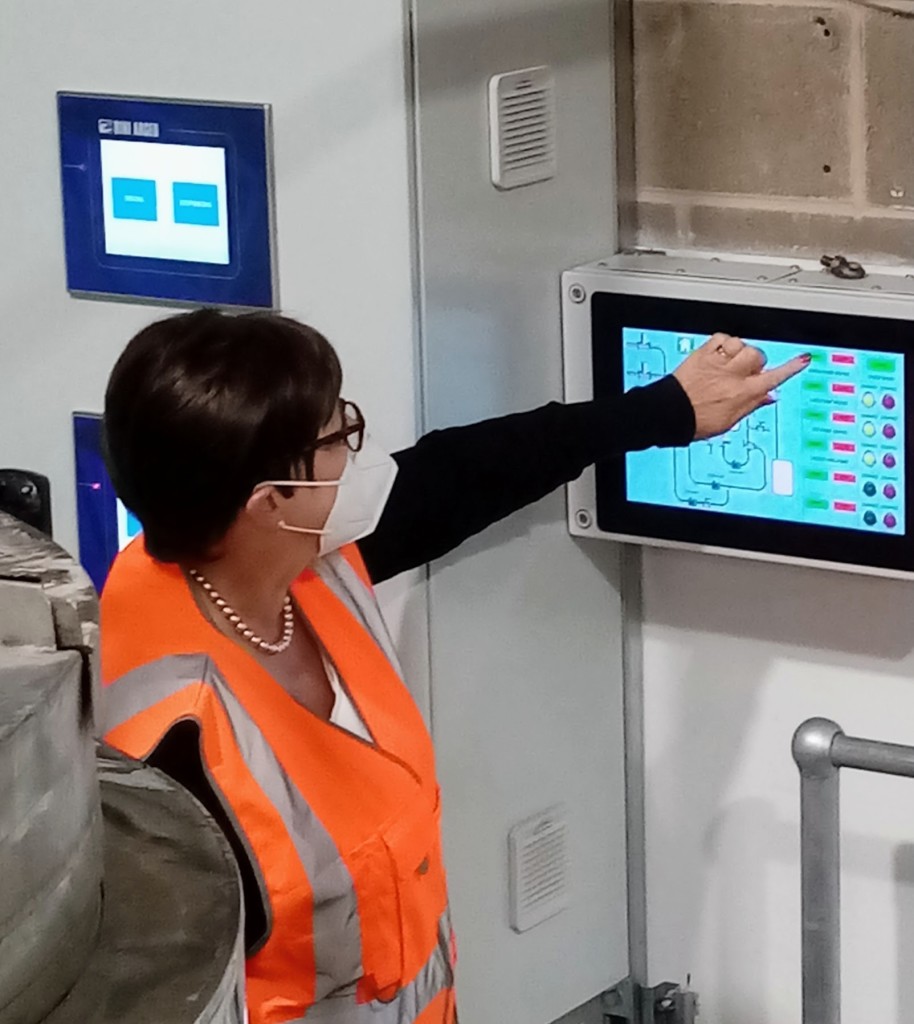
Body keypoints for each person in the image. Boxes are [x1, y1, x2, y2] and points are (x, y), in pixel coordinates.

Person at [99, 309, 807, 1024]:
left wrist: (663, 410)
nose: (356, 449)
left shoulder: (277, 556)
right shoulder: (167, 747)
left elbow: (458, 476)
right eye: (338, 434)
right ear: (271, 502)